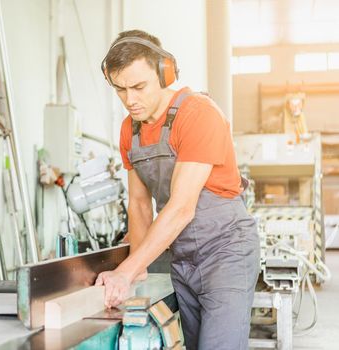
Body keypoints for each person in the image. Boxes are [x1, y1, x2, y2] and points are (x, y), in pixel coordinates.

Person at [94, 29, 260, 350]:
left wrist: (125, 272)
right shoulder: (131, 129)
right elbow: (140, 206)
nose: (130, 100)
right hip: (182, 258)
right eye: (120, 90)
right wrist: (137, 269)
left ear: (163, 73)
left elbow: (183, 206)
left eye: (139, 87)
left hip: (226, 252)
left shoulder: (198, 114)